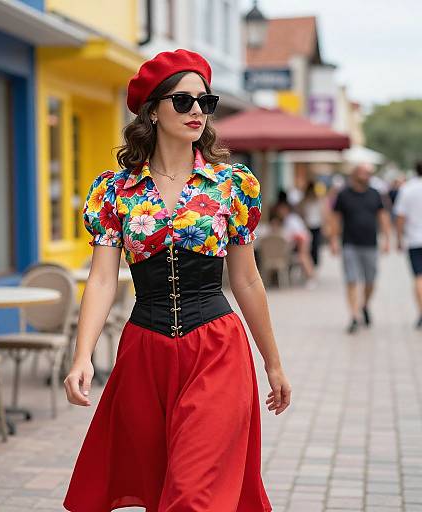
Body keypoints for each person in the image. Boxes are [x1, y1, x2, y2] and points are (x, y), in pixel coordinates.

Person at [62, 49, 290, 512]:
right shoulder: (114, 190)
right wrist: (82, 355)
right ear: (152, 110)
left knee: (193, 494)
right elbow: (103, 280)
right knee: (160, 486)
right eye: (183, 101)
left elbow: (246, 281)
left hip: (217, 349)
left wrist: (273, 363)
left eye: (205, 102)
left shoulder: (232, 185)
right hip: (144, 351)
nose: (197, 112)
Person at [330, 163, 391, 334]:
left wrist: (387, 238)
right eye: (364, 172)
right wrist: (333, 239)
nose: (367, 175)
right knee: (351, 280)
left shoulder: (375, 194)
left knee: (370, 281)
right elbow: (335, 218)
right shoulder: (343, 194)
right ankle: (354, 316)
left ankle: (364, 305)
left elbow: (383, 215)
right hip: (349, 243)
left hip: (370, 244)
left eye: (369, 173)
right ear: (355, 174)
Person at [394, 161, 422, 329]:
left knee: (419, 277)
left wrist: (398, 237)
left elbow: (400, 216)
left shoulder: (408, 189)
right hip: (414, 239)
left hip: (414, 239)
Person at [275, 200, 316, 288]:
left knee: (303, 257)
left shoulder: (291, 219)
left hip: (302, 241)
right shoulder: (287, 219)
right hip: (300, 241)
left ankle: (311, 278)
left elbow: (299, 234)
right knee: (304, 257)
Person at [300, 181, 326, 268]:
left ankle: (314, 263)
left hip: (317, 225)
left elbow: (322, 213)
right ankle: (310, 263)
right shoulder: (304, 201)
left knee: (315, 245)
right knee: (308, 246)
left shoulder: (318, 200)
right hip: (307, 226)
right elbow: (302, 212)